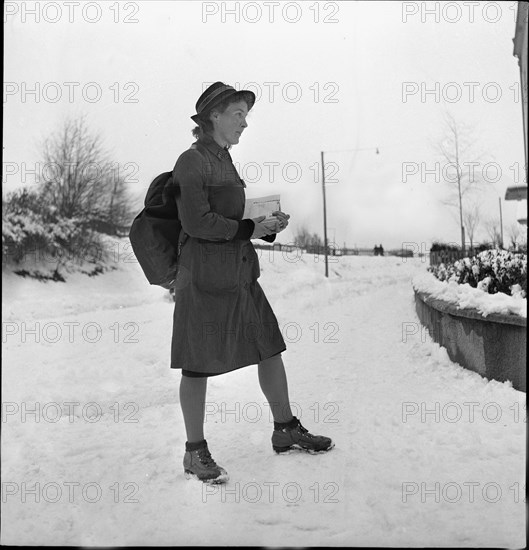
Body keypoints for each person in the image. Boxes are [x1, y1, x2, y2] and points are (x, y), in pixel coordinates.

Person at [171, 82, 334, 484]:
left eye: (246, 114)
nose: (245, 123)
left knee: (269, 346)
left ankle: (285, 428)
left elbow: (233, 216)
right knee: (197, 363)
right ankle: (195, 452)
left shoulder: (224, 160)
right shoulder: (191, 162)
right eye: (238, 114)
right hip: (205, 278)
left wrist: (264, 225)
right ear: (213, 116)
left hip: (240, 273)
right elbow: (196, 222)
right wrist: (249, 226)